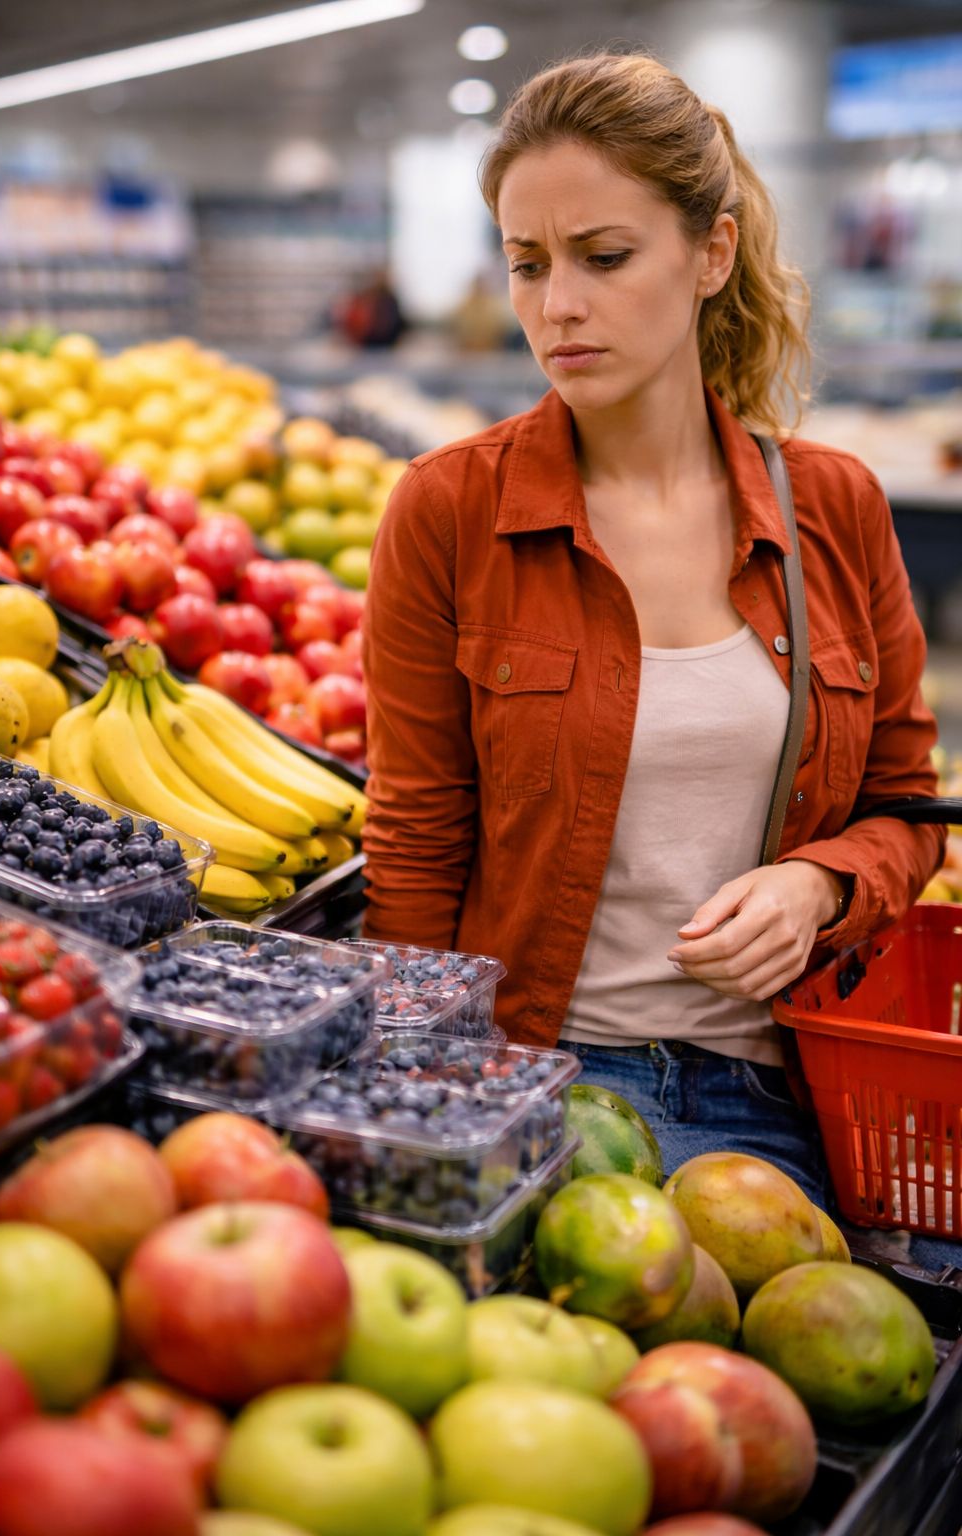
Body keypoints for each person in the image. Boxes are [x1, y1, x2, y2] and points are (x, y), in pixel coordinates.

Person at [360, 53, 951, 1266]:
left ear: (711, 255)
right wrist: (426, 1108)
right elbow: (414, 845)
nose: (555, 306)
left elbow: (907, 808)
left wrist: (819, 886)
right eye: (526, 264)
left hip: (781, 1103)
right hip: (532, 1081)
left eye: (603, 256)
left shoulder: (831, 509)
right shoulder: (449, 511)